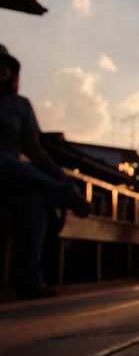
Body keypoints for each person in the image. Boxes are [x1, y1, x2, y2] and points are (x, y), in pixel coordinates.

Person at [0, 45, 90, 298]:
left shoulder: (20, 105)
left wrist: (59, 174)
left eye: (5, 65)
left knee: (33, 202)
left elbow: (34, 150)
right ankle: (66, 194)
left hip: (12, 172)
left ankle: (28, 280)